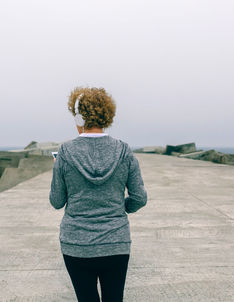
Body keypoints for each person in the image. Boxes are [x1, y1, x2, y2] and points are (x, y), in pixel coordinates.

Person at [49, 86, 148, 301]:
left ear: (78, 117)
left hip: (76, 243)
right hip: (116, 241)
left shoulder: (65, 153)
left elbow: (56, 201)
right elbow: (140, 198)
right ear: (107, 115)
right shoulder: (124, 151)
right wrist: (119, 207)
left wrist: (59, 170)